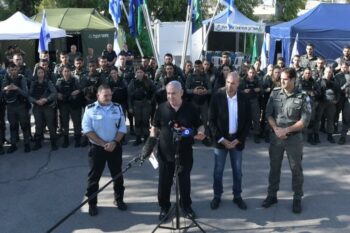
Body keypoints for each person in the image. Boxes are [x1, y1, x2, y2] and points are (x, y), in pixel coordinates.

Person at [150, 80, 205, 220]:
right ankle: (164, 207)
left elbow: (200, 126)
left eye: (173, 93)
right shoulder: (161, 108)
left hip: (184, 153)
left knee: (184, 182)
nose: (170, 96)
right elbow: (154, 127)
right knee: (164, 182)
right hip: (164, 153)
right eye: (168, 93)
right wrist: (150, 144)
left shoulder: (190, 108)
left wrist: (200, 133)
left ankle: (186, 206)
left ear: (181, 93)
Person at [262, 68, 311, 214]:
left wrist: (286, 130)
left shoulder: (303, 96)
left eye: (285, 79)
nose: (281, 81)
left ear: (293, 79)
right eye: (281, 78)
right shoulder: (275, 92)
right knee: (274, 167)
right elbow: (268, 114)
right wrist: (276, 129)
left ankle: (297, 198)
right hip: (276, 137)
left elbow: (304, 121)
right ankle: (272, 195)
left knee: (296, 169)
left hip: (294, 139)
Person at [82, 84, 127, 216]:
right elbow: (87, 130)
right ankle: (92, 204)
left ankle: (119, 199)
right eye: (105, 95)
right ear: (98, 96)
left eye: (110, 95)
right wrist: (103, 143)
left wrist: (113, 142)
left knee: (117, 176)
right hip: (97, 148)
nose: (108, 98)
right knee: (93, 178)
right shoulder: (90, 109)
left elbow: (122, 129)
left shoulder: (118, 108)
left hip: (115, 147)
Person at [208, 71, 251, 210]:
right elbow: (211, 121)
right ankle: (217, 196)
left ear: (238, 84)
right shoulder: (217, 96)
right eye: (227, 82)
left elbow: (247, 121)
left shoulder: (244, 98)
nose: (229, 85)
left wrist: (239, 139)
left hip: (237, 141)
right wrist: (221, 139)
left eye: (233, 83)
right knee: (218, 171)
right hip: (221, 141)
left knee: (237, 171)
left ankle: (237, 196)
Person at [2, 63, 31, 153]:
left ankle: (27, 144)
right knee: (13, 126)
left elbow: (26, 93)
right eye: (11, 70)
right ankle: (13, 144)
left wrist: (16, 88)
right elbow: (2, 92)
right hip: (10, 107)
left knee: (24, 125)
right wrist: (6, 89)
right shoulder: (6, 78)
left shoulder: (21, 78)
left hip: (21, 105)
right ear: (8, 70)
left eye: (14, 70)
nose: (12, 72)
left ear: (17, 70)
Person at [28, 66, 58, 151]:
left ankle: (53, 143)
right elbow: (29, 95)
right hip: (37, 106)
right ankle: (38, 143)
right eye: (39, 72)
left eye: (42, 72)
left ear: (44, 73)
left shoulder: (48, 82)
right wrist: (36, 101)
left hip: (47, 106)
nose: (40, 74)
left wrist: (46, 99)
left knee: (51, 125)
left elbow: (54, 93)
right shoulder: (33, 83)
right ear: (36, 74)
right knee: (38, 125)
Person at [56, 65, 83, 148]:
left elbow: (81, 89)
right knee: (64, 122)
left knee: (77, 122)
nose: (66, 73)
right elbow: (55, 91)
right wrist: (58, 94)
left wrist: (78, 91)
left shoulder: (75, 80)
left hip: (74, 104)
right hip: (64, 104)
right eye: (65, 71)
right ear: (62, 72)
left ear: (71, 72)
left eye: (68, 71)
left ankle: (77, 138)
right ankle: (66, 139)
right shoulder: (59, 81)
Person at [127, 67, 155, 146]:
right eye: (138, 72)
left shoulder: (148, 81)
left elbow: (154, 91)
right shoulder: (132, 82)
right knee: (138, 122)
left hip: (146, 104)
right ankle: (138, 138)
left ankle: (146, 138)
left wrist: (150, 101)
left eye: (141, 72)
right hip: (136, 104)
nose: (139, 74)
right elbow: (129, 96)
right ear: (135, 74)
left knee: (145, 121)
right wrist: (130, 107)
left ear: (144, 73)